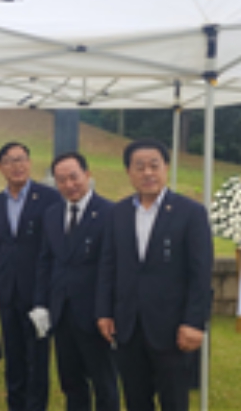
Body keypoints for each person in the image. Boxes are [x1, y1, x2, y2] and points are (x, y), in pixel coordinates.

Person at [96, 139, 213, 411]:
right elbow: (108, 266)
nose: (147, 173)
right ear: (129, 172)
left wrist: (194, 322)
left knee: (174, 402)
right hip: (128, 326)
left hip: (172, 328)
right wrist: (104, 312)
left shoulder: (191, 213)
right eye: (139, 167)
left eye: (154, 165)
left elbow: (200, 272)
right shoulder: (118, 213)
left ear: (166, 168)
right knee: (136, 400)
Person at [33, 152, 119, 411]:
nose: (69, 185)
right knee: (71, 382)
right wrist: (41, 304)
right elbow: (45, 261)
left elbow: (114, 267)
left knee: (104, 382)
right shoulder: (51, 214)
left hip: (96, 315)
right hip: (61, 313)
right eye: (61, 180)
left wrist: (108, 311)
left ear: (87, 175)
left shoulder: (110, 213)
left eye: (74, 177)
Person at [0, 141, 61, 411]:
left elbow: (55, 247)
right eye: (10, 161)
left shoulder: (50, 198)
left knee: (37, 357)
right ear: (0, 167)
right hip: (8, 291)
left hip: (38, 292)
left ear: (29, 163)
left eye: (21, 159)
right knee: (14, 355)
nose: (17, 166)